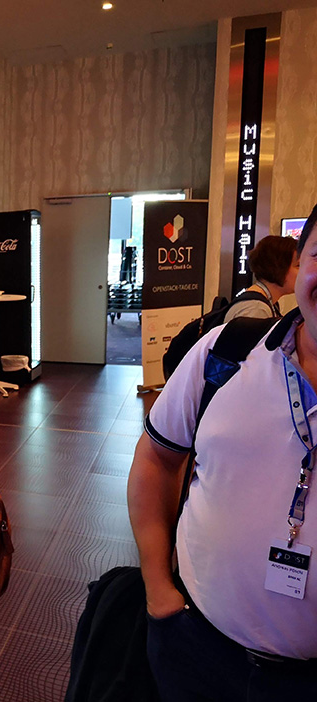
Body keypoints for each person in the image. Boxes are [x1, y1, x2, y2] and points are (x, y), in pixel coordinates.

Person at [127, 203, 317, 701]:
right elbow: (155, 460)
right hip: (195, 647)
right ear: (302, 264)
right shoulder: (227, 352)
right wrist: (157, 589)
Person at [224, 233, 299, 322]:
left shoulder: (267, 303)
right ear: (278, 267)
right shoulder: (255, 309)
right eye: (298, 265)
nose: (303, 272)